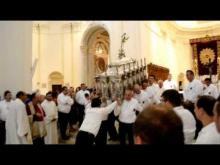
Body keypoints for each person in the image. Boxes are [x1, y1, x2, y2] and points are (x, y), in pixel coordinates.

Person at [183, 70, 204, 138]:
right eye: (186, 75)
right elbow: (184, 93)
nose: (187, 76)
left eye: (188, 75)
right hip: (187, 104)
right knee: (190, 118)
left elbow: (197, 93)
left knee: (197, 119)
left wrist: (190, 100)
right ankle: (192, 132)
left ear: (192, 75)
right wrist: (186, 100)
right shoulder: (186, 84)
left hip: (195, 104)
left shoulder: (198, 83)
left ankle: (198, 133)